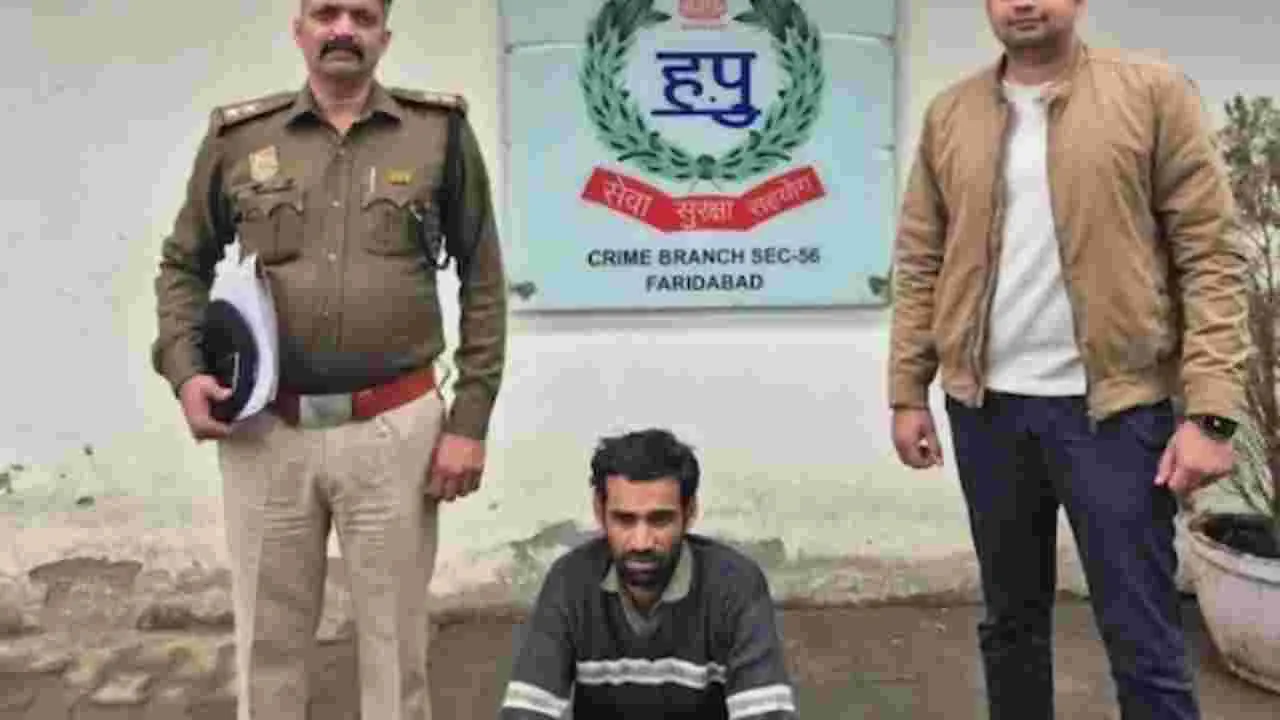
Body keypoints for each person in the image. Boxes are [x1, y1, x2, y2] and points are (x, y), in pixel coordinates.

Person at [887, 1, 1249, 718]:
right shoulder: (951, 114)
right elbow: (921, 258)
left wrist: (1211, 413)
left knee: (1143, 637)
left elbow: (1209, 254)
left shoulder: (1151, 93)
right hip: (986, 413)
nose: (1023, 3)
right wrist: (907, 389)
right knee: (1009, 627)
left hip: (1115, 413)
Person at [149, 1, 508, 718]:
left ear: (384, 35)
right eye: (326, 13)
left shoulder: (437, 134)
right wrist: (187, 371)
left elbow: (483, 277)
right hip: (265, 432)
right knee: (268, 644)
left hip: (394, 428)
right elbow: (183, 265)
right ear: (300, 29)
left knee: (396, 647)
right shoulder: (239, 138)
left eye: (362, 16)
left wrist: (469, 420)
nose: (344, 29)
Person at [497, 429, 798, 719]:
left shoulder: (735, 585)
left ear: (690, 512)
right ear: (599, 511)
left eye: (660, 520)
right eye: (624, 520)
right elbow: (525, 713)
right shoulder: (570, 582)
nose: (641, 542)